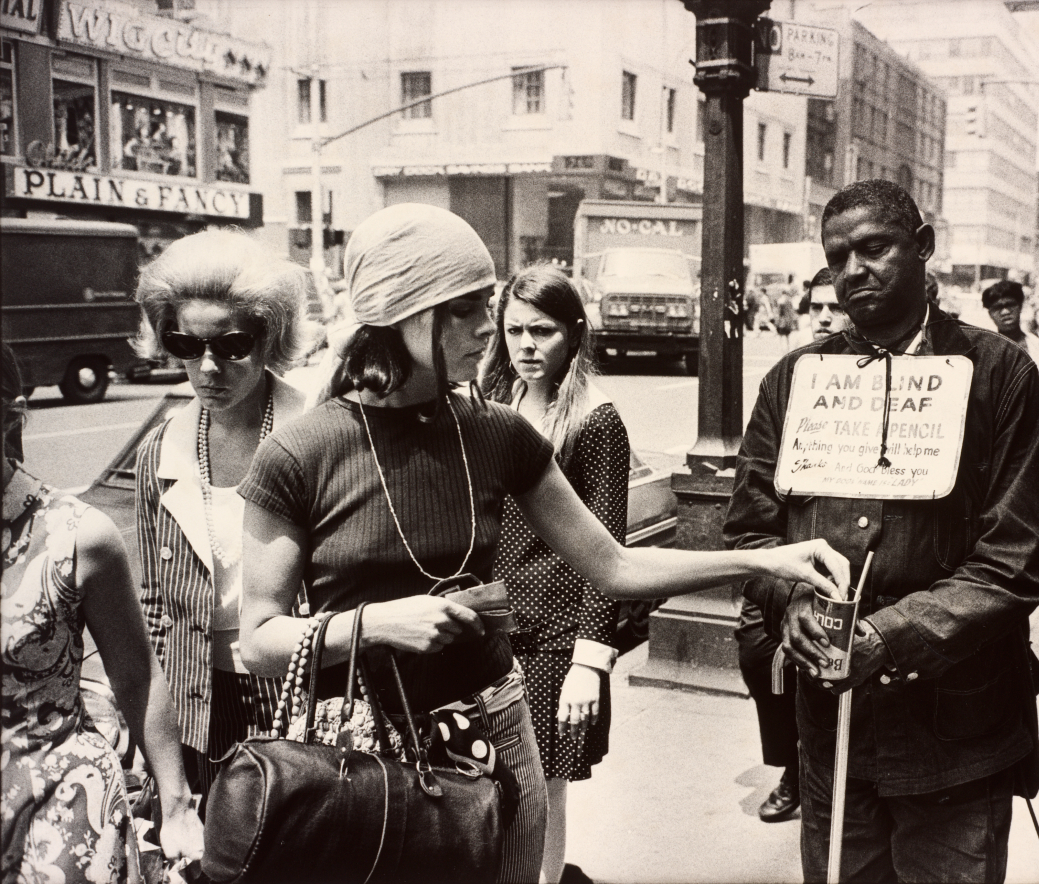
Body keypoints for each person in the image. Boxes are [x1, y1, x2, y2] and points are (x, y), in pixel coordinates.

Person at [236, 204, 849, 884]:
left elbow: (614, 564)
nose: (485, 329)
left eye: (485, 305)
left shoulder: (496, 432)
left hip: (494, 727)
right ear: (408, 314)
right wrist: (378, 625)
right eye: (466, 309)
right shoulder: (300, 452)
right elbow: (257, 642)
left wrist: (764, 558)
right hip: (360, 748)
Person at [725, 180, 1039, 883]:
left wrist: (889, 636)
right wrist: (794, 604)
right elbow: (751, 536)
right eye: (836, 257)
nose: (853, 271)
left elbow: (1016, 561)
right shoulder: (793, 381)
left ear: (924, 247)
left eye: (874, 249)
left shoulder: (999, 375)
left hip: (957, 741)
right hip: (833, 736)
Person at [2, 343, 204, 881]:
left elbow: (135, 673)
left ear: (9, 417)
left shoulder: (77, 535)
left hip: (59, 796)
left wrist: (176, 801)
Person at [132, 229, 309, 802]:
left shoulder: (318, 433)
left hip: (298, 694)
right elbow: (155, 606)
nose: (208, 367)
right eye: (186, 344)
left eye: (232, 345)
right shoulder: (160, 450)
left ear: (269, 338)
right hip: (194, 701)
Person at [480, 265, 628, 884]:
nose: (526, 346)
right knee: (485, 778)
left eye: (541, 331)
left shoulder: (595, 421)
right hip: (490, 623)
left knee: (543, 787)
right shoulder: (493, 405)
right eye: (514, 330)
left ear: (573, 332)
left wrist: (589, 661)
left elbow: (609, 550)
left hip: (556, 638)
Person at [734, 266, 852, 828]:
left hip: (853, 573)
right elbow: (753, 509)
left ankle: (826, 768)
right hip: (788, 566)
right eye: (817, 308)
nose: (826, 317)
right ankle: (790, 766)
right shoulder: (787, 380)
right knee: (760, 653)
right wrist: (785, 587)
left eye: (837, 306)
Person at [983, 279, 1039, 410]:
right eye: (998, 308)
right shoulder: (984, 352)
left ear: (1020, 306)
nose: (1005, 312)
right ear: (990, 313)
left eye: (1010, 305)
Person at [806, 266, 850, 341]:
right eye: (816, 307)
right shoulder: (800, 352)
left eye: (837, 308)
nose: (823, 319)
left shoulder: (871, 352)